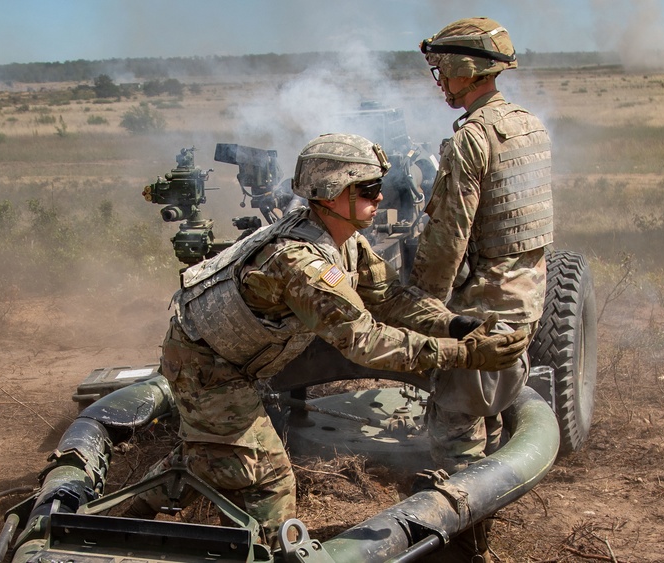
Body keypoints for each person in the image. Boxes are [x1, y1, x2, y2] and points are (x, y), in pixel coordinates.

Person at [124, 133, 528, 549]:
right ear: (331, 194)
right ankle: (274, 553)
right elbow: (367, 342)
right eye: (367, 189)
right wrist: (464, 354)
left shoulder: (346, 241)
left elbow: (391, 298)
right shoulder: (303, 264)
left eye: (378, 187)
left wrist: (455, 326)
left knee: (211, 458)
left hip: (222, 361)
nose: (379, 196)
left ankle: (128, 514)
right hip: (209, 371)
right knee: (268, 478)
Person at [414, 17, 554, 475]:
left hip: (481, 311)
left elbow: (448, 239)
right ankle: (489, 511)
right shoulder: (529, 126)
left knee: (455, 429)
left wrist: (424, 305)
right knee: (489, 414)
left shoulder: (470, 140)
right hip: (526, 299)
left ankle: (463, 532)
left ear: (464, 68)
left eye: (443, 70)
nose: (441, 82)